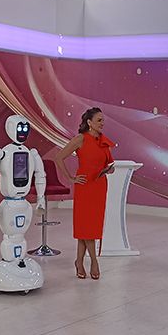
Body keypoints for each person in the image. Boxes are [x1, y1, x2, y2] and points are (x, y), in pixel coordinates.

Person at [55, 108, 115, 280]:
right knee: (86, 227)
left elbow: (107, 164)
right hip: (85, 187)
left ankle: (79, 262)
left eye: (103, 120)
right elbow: (59, 157)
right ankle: (94, 261)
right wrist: (70, 178)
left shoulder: (103, 141)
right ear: (89, 122)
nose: (102, 123)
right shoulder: (80, 139)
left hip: (99, 186)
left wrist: (109, 170)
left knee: (89, 227)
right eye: (99, 120)